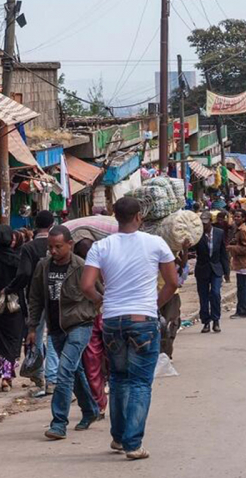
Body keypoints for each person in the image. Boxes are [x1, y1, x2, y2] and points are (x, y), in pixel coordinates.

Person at [81, 197, 178, 460]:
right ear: (138, 217)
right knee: (140, 383)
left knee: (119, 379)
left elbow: (87, 285)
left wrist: (102, 301)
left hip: (112, 320)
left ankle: (119, 437)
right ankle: (133, 444)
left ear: (115, 216)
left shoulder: (100, 247)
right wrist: (154, 305)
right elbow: (172, 282)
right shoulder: (156, 243)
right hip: (142, 320)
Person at [27, 225, 102, 440]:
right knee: (74, 370)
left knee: (64, 372)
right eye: (50, 247)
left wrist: (93, 312)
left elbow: (100, 292)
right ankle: (90, 410)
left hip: (80, 326)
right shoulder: (43, 267)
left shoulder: (82, 267)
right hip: (56, 328)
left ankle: (59, 423)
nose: (53, 251)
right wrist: (32, 327)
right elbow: (35, 299)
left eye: (58, 246)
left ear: (69, 244)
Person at [11, 210, 57, 393]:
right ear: (52, 224)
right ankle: (52, 378)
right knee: (53, 335)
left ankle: (38, 374)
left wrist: (12, 289)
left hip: (34, 297)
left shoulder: (28, 248)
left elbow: (23, 273)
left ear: (35, 225)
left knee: (35, 335)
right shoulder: (56, 244)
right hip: (55, 294)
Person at [0, 226, 24, 392]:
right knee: (13, 339)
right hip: (15, 303)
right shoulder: (18, 259)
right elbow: (24, 278)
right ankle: (7, 376)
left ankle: (4, 376)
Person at [74, 238, 108, 413]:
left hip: (91, 318)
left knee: (92, 363)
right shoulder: (103, 266)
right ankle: (102, 401)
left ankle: (99, 402)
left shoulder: (80, 269)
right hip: (103, 316)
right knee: (105, 361)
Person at [194, 211, 230, 333]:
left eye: (206, 223)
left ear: (211, 221)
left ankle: (216, 320)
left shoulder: (219, 233)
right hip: (202, 269)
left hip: (216, 268)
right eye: (202, 223)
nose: (204, 226)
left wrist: (227, 272)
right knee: (203, 297)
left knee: (215, 293)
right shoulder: (197, 235)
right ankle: (205, 322)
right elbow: (192, 249)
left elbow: (223, 253)